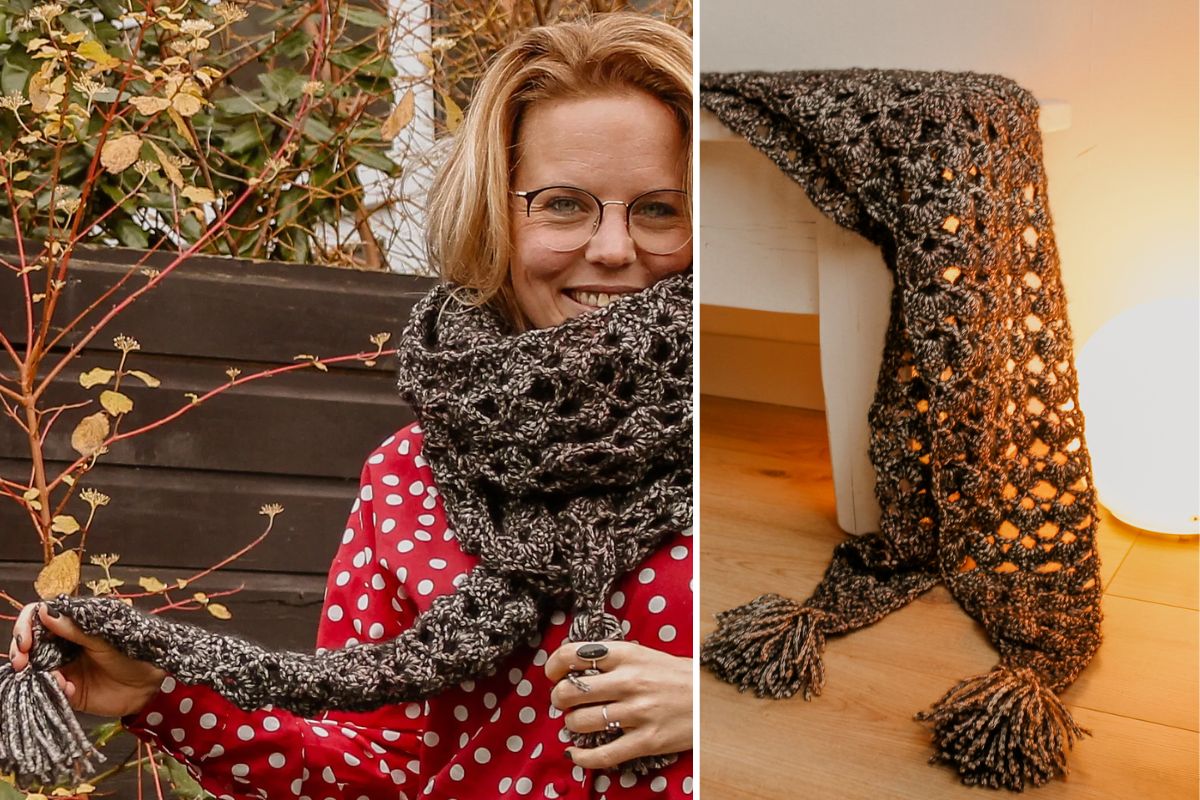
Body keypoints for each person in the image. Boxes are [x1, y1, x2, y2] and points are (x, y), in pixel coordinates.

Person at [8, 13, 694, 800]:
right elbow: (378, 766)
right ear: (496, 217)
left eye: (659, 209)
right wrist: (160, 695)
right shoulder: (411, 473)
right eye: (565, 204)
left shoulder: (742, 430)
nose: (611, 249)